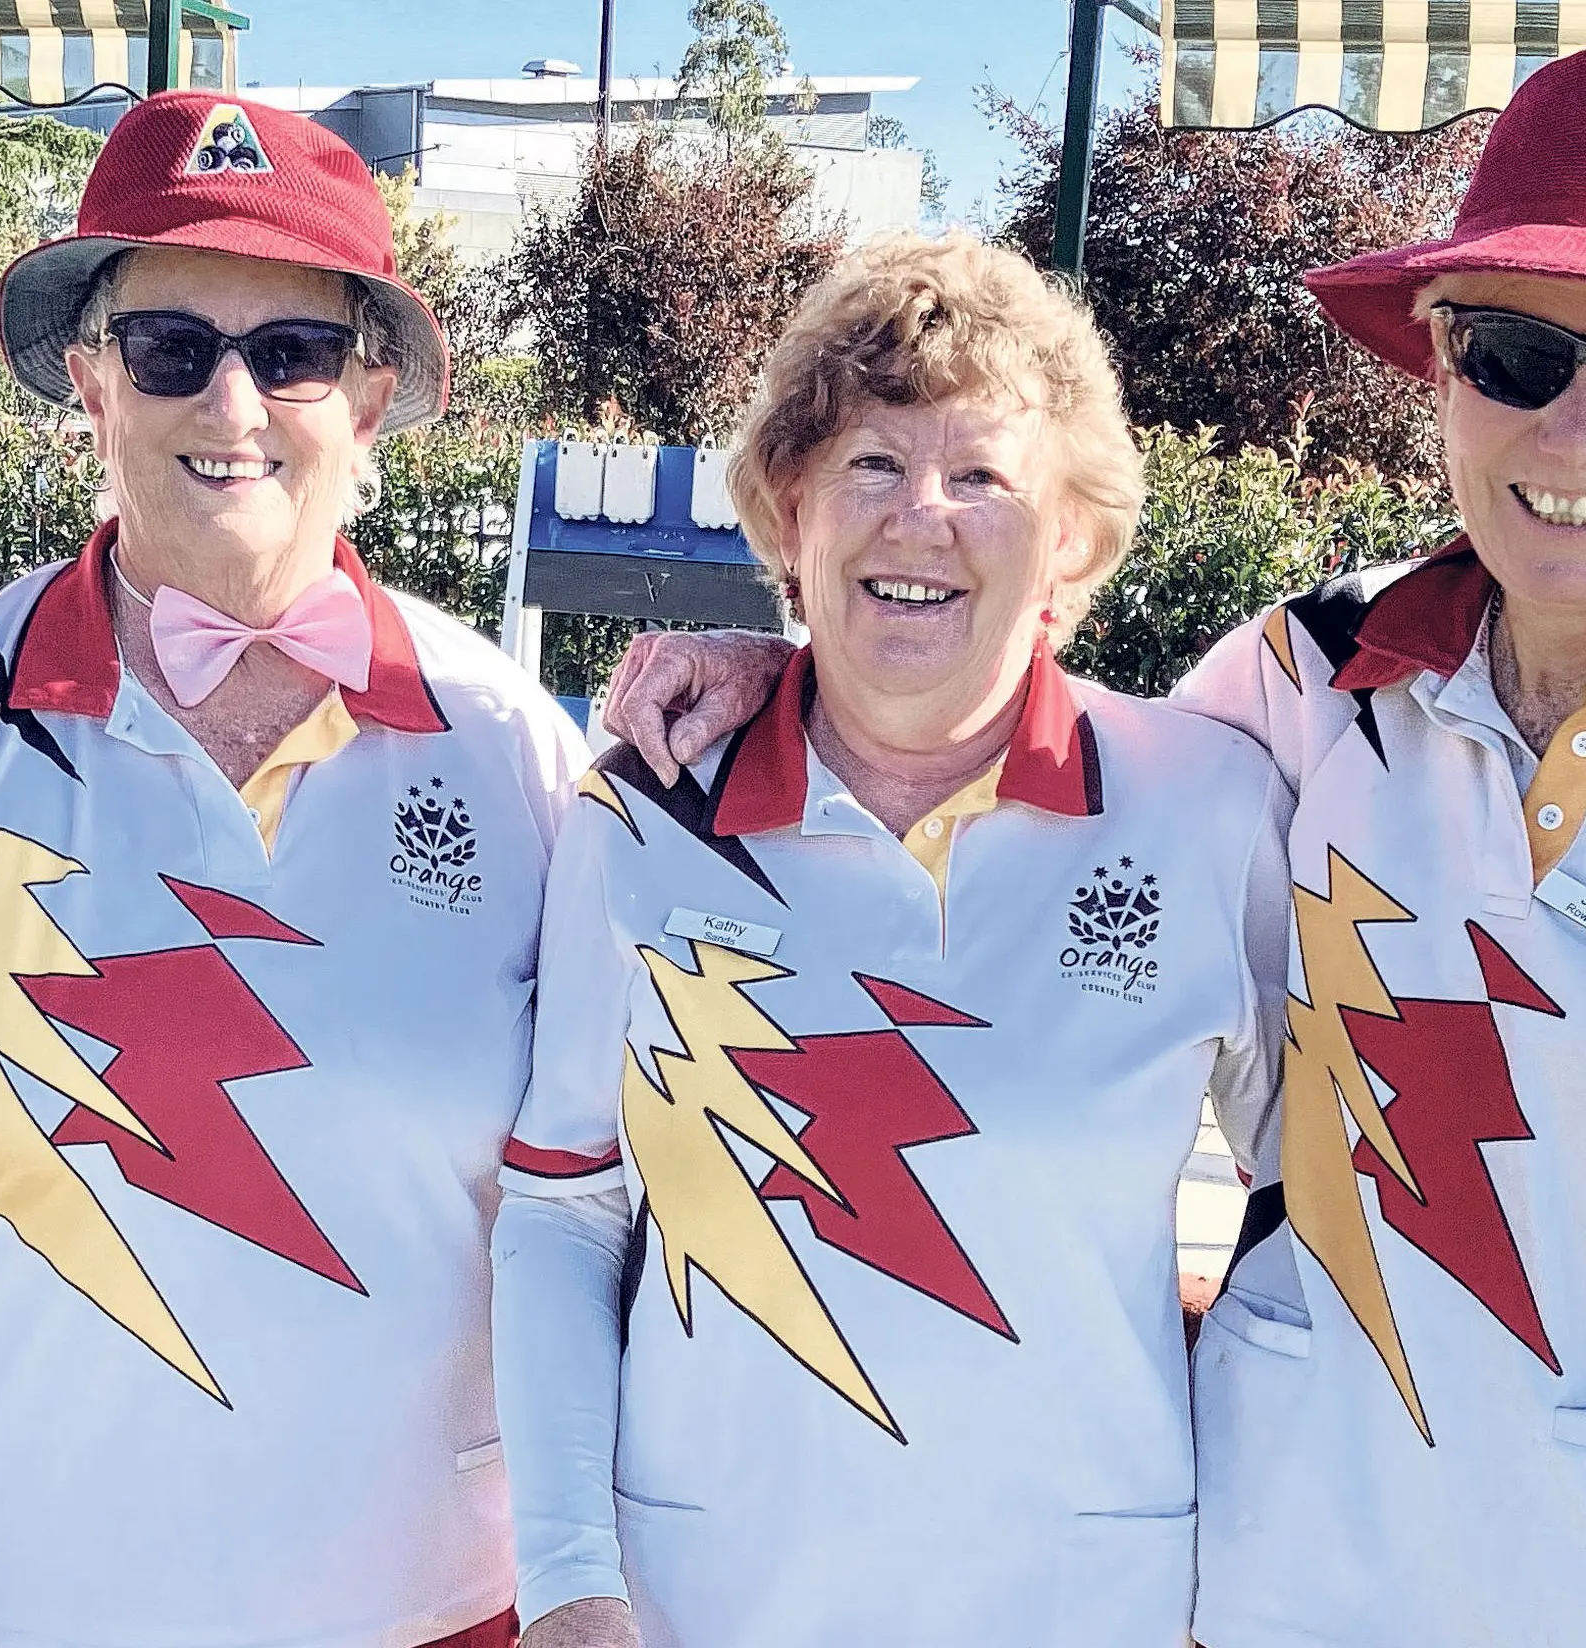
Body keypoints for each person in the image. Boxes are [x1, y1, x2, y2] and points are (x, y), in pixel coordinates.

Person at [603, 42, 1586, 1648]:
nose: (1575, 424)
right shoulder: (1292, 678)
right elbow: (1004, 719)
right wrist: (785, 667)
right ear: (1436, 363)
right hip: (1273, 1565)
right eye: (1513, 353)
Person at [0, 92, 580, 1648]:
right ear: (93, 381)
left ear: (369, 397)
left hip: (427, 1603)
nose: (229, 404)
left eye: (290, 353)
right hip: (2, 1596)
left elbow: (609, 1194)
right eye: (171, 347)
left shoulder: (510, 741)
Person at [495, 234, 1290, 1648]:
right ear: (788, 518)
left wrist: (1250, 1536)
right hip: (705, 1604)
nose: (918, 514)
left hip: (1081, 1602)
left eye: (981, 474)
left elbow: (1320, 1212)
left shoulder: (1212, 809)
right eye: (869, 463)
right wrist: (566, 1580)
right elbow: (561, 1211)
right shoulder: (643, 815)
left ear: (1073, 538)